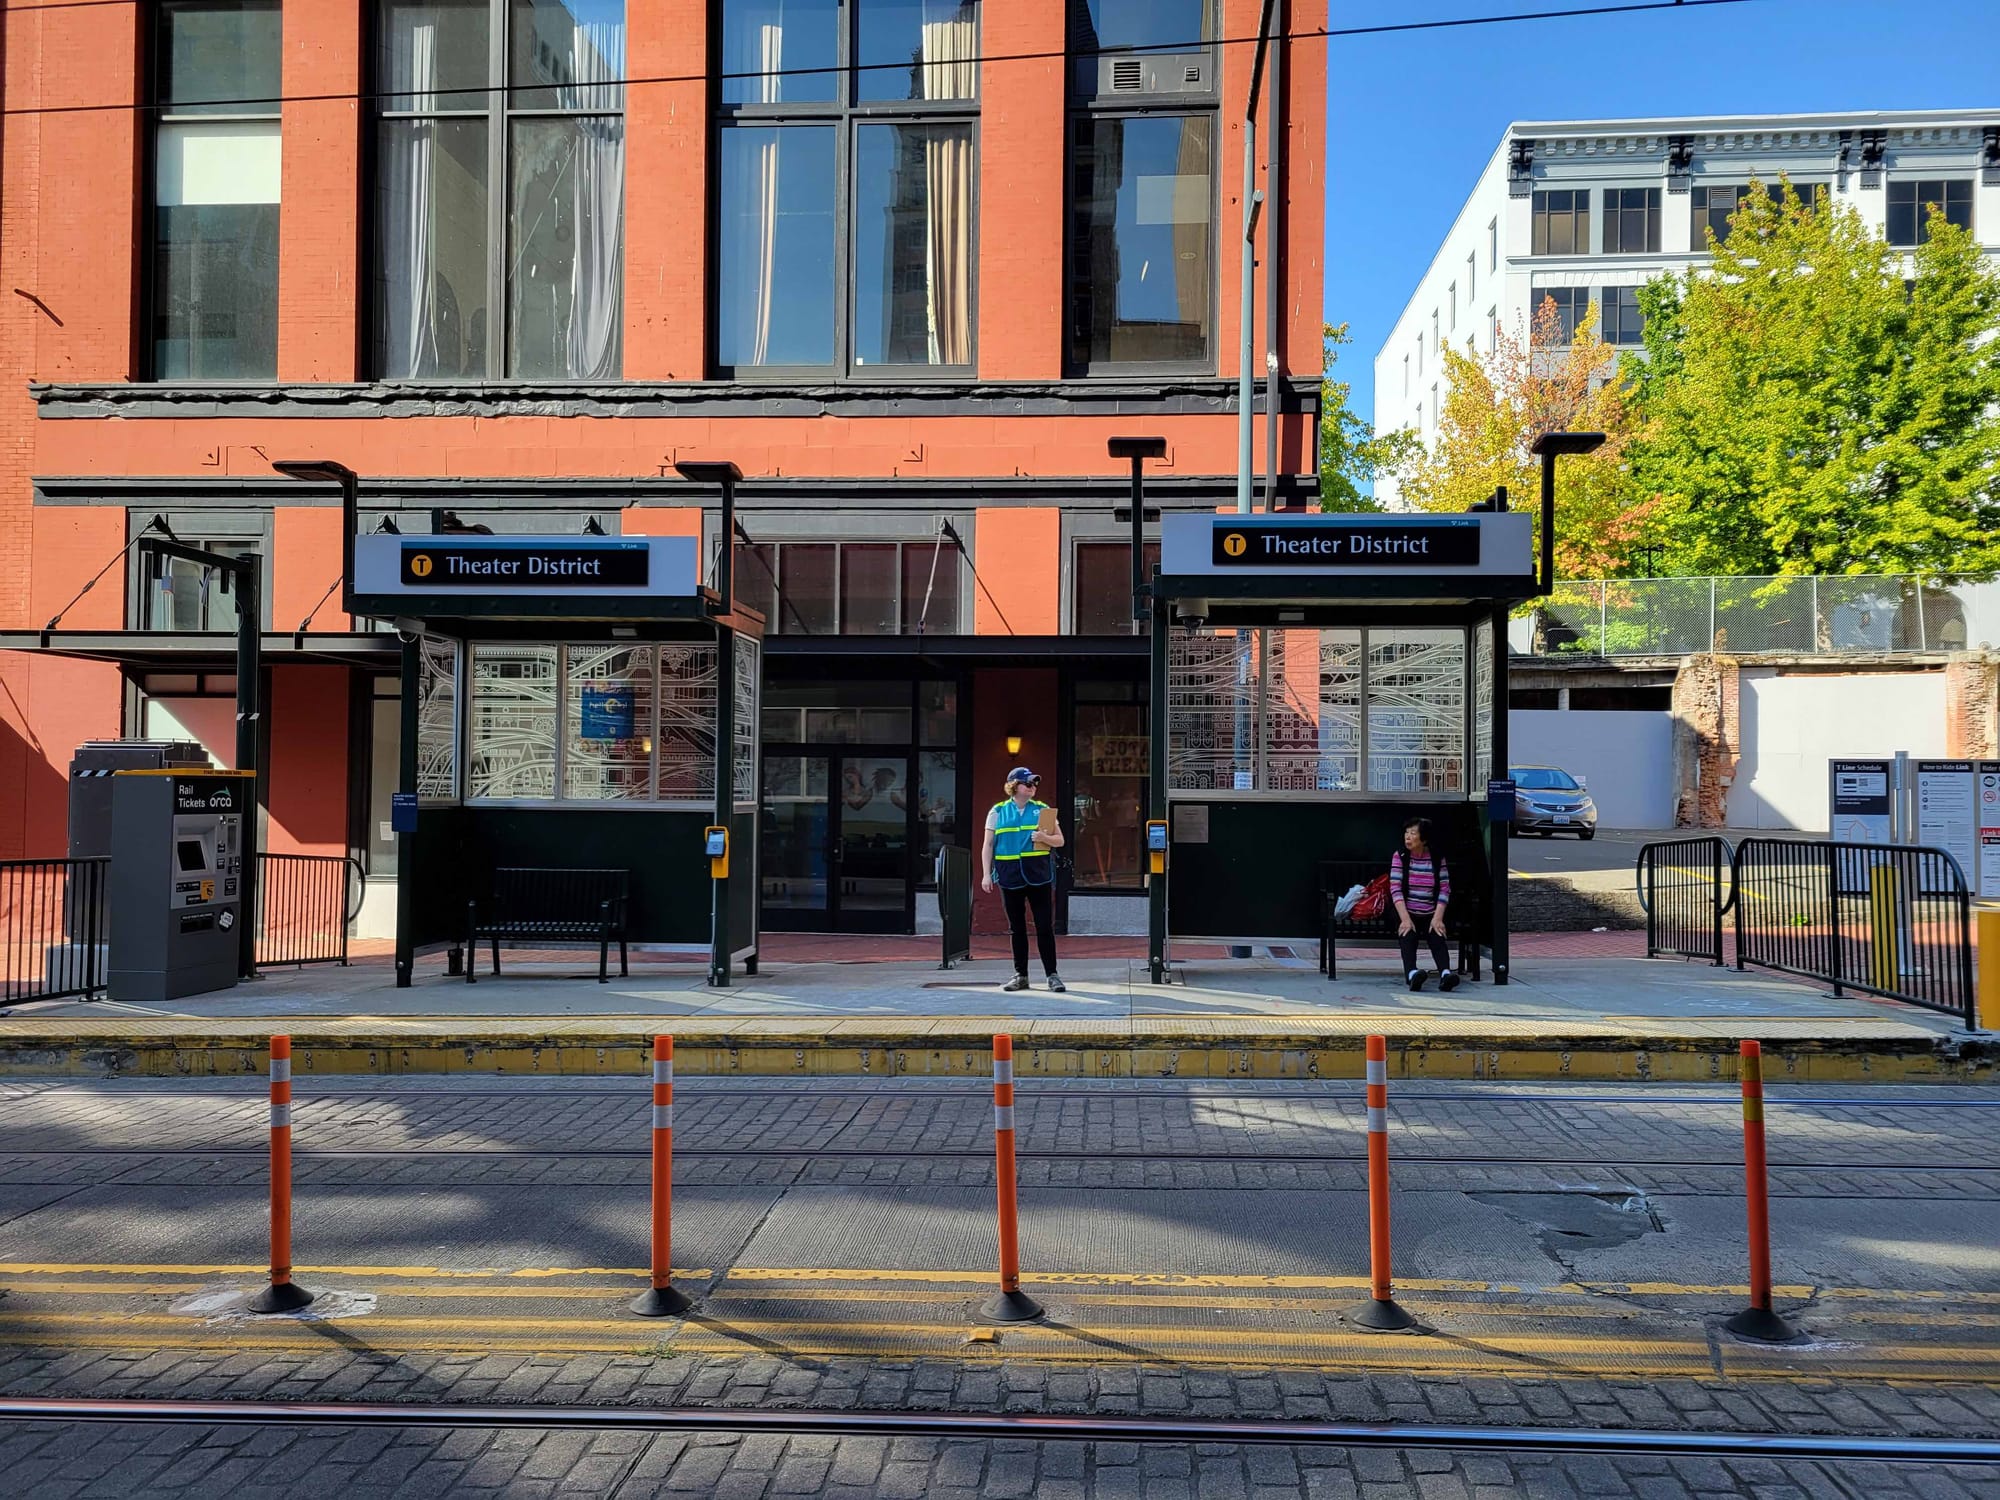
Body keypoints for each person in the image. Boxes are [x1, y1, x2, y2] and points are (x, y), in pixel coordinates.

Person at [981, 766, 1065, 993]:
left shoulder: (1043, 810)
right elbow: (988, 845)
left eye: (1034, 784)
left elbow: (1060, 841)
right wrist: (986, 874)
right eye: (1028, 783)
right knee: (1016, 928)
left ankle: (1052, 975)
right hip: (1010, 876)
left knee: (1044, 927)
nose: (1033, 787)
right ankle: (1021, 975)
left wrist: (1043, 837)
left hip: (1038, 876)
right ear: (1014, 786)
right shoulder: (997, 811)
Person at [1391, 816, 1458, 993]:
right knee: (1407, 934)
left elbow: (1445, 889)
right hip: (1407, 912)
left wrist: (1438, 918)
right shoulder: (1400, 856)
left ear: (1424, 838)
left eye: (1413, 833)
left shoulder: (1436, 858)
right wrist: (1405, 919)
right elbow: (1395, 889)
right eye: (1406, 833)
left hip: (1430, 912)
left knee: (1437, 934)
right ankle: (1412, 975)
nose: (1408, 837)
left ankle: (1445, 975)